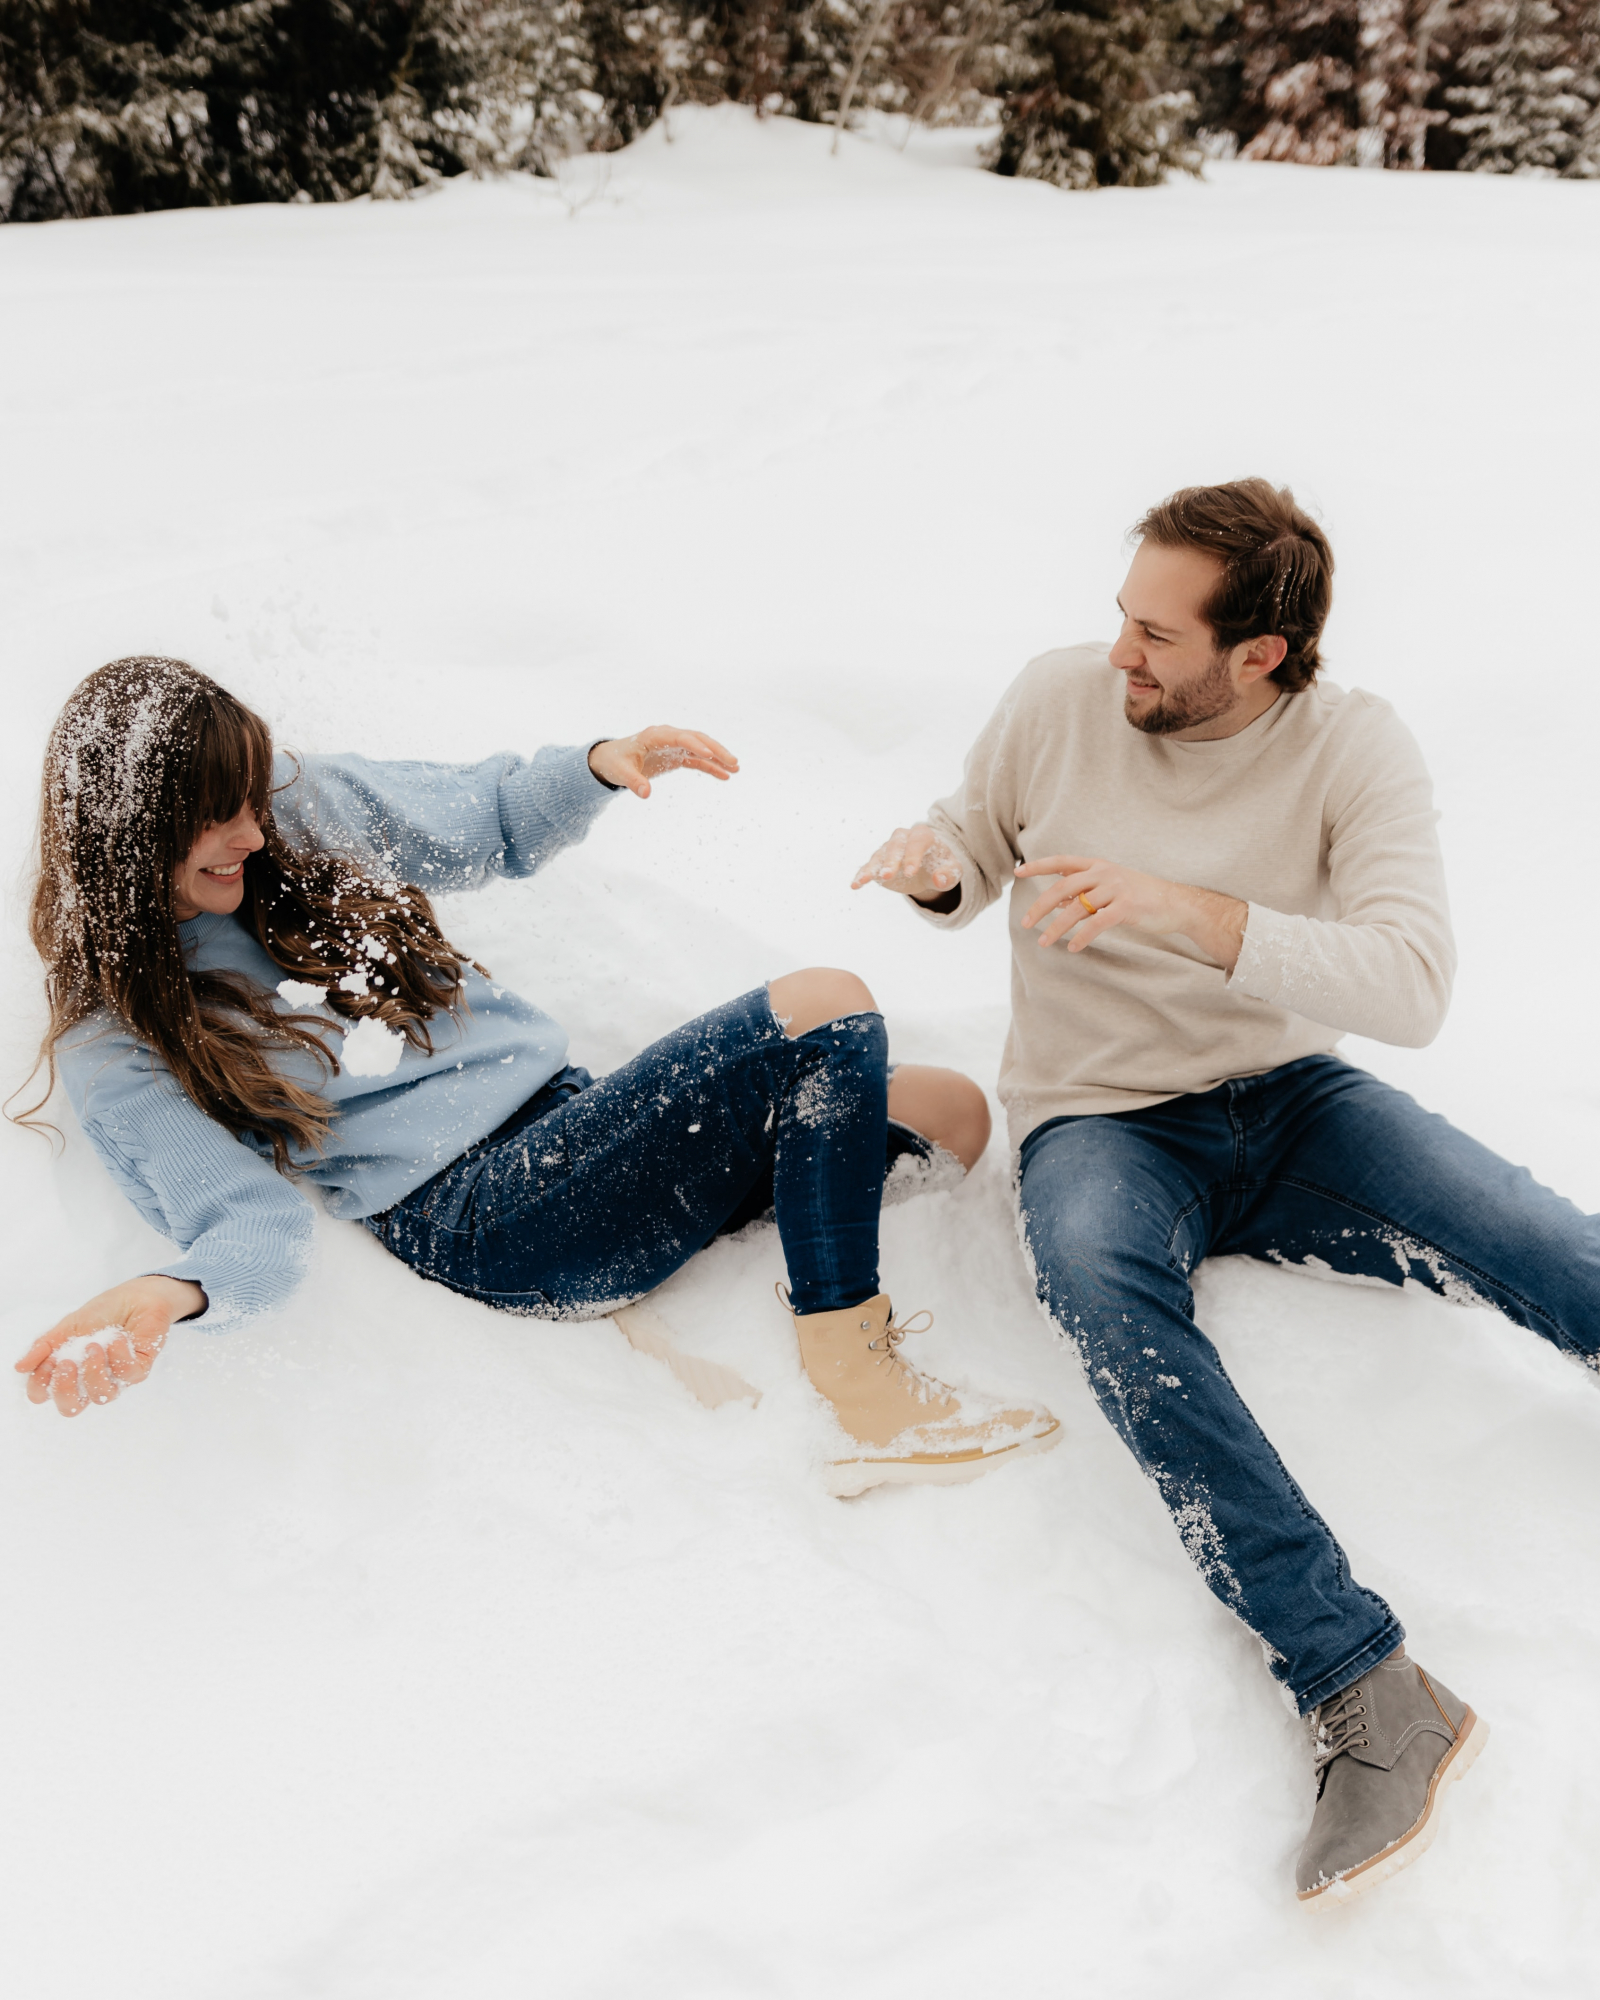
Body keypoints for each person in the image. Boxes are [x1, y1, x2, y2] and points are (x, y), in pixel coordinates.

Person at [856, 477, 1600, 1901]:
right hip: (1101, 1119)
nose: (1118, 654)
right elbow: (977, 833)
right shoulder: (1060, 696)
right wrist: (936, 866)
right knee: (1097, 1286)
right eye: (1121, 617)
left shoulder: (1353, 746)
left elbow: (1414, 984)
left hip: (1294, 1101)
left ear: (1258, 653)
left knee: (1539, 1240)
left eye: (1156, 635)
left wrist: (1189, 912)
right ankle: (1365, 1686)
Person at [12, 656, 1060, 1498]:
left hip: (569, 1125)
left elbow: (479, 817)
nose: (252, 829)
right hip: (486, 1217)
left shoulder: (292, 809)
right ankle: (861, 1389)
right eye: (215, 817)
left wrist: (599, 764)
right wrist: (180, 1290)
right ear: (129, 831)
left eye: (249, 797)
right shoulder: (118, 1032)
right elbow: (247, 1222)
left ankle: (696, 1255)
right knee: (824, 1002)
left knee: (949, 1114)